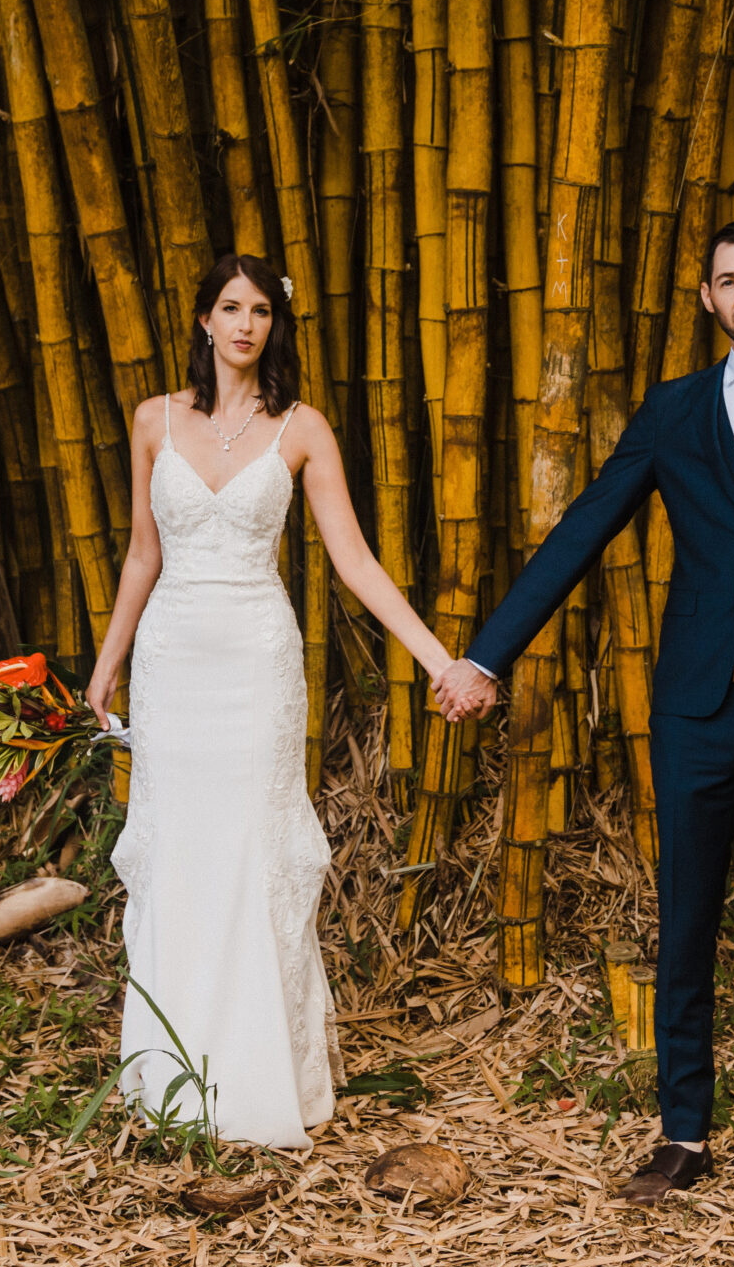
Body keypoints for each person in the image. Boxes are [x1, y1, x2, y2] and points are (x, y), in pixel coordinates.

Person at [434, 218, 734, 1225]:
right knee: (685, 925)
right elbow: (581, 532)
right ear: (706, 298)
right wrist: (485, 655)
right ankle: (681, 1136)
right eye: (727, 281)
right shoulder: (671, 412)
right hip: (695, 708)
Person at [85, 254, 457, 1149]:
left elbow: (354, 560)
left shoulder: (302, 429)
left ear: (272, 327)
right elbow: (143, 553)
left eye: (259, 310)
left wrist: (440, 656)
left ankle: (258, 1079)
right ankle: (173, 1074)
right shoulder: (152, 422)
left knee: (253, 851)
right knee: (180, 853)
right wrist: (106, 664)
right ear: (204, 321)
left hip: (257, 663)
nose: (245, 323)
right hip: (173, 663)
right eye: (229, 307)